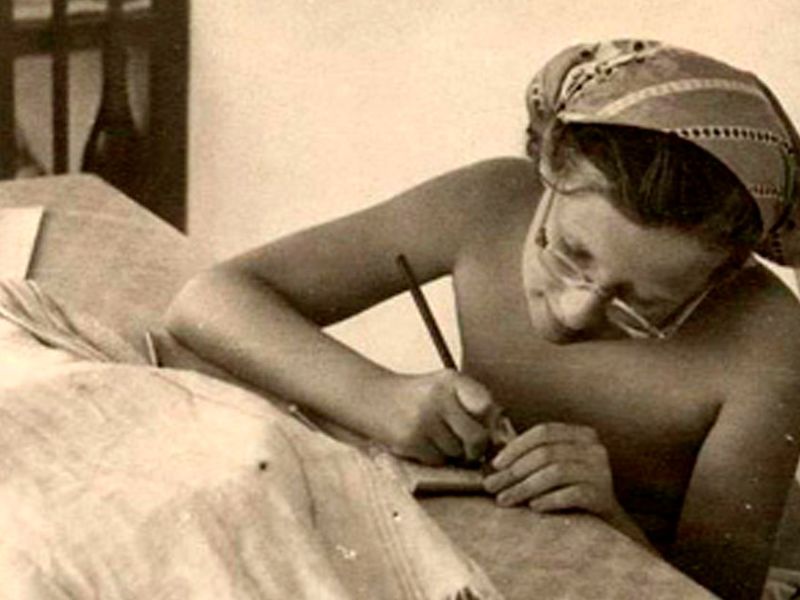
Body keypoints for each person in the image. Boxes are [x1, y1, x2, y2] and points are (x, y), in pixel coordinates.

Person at [166, 40, 800, 599]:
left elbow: (715, 594)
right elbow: (207, 300)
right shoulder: (488, 204)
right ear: (546, 165)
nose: (575, 312)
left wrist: (610, 515)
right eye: (568, 252)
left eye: (644, 303)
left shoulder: (768, 342)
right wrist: (377, 396)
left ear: (721, 278)